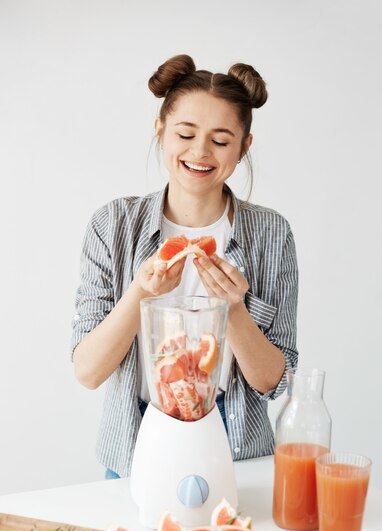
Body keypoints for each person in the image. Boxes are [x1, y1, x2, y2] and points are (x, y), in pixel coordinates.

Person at [71, 54, 298, 480]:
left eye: (221, 139)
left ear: (245, 146)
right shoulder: (112, 225)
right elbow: (88, 371)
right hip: (134, 448)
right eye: (186, 134)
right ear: (160, 131)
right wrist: (140, 293)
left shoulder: (273, 234)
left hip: (237, 451)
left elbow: (274, 382)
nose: (200, 152)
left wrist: (234, 309)